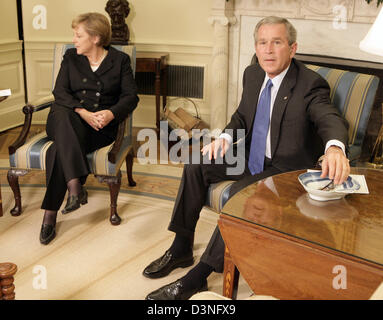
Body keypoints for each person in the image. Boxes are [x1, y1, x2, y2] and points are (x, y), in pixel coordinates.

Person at [143, 16, 350, 300]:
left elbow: (329, 117)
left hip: (283, 168)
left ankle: (198, 277)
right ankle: (181, 247)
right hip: (251, 155)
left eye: (277, 43)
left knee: (240, 197)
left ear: (292, 48)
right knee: (195, 166)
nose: (268, 50)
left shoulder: (310, 84)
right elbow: (242, 115)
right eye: (262, 43)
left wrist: (335, 147)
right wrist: (226, 137)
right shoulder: (253, 74)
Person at [39, 12, 139, 245]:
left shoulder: (119, 61)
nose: (73, 40)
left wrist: (111, 113)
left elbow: (130, 97)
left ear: (95, 38)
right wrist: (83, 112)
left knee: (57, 150)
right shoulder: (71, 58)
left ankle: (50, 214)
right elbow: (60, 93)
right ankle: (75, 186)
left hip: (98, 127)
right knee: (63, 113)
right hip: (66, 118)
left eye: (78, 35)